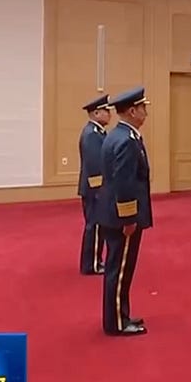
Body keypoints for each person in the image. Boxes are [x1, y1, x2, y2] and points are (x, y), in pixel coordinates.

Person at [96, 87, 153, 337]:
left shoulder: (118, 135)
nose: (146, 113)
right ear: (132, 111)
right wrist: (129, 218)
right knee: (119, 270)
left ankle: (120, 315)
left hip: (112, 213)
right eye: (143, 108)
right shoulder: (127, 141)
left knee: (117, 268)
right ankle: (117, 322)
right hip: (122, 218)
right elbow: (124, 182)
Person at [77, 94, 112, 276]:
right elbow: (94, 166)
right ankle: (92, 264)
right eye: (106, 111)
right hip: (94, 189)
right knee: (96, 226)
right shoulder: (92, 134)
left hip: (95, 189)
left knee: (97, 226)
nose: (109, 114)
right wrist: (100, 190)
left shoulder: (97, 132)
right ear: (96, 113)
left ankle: (94, 261)